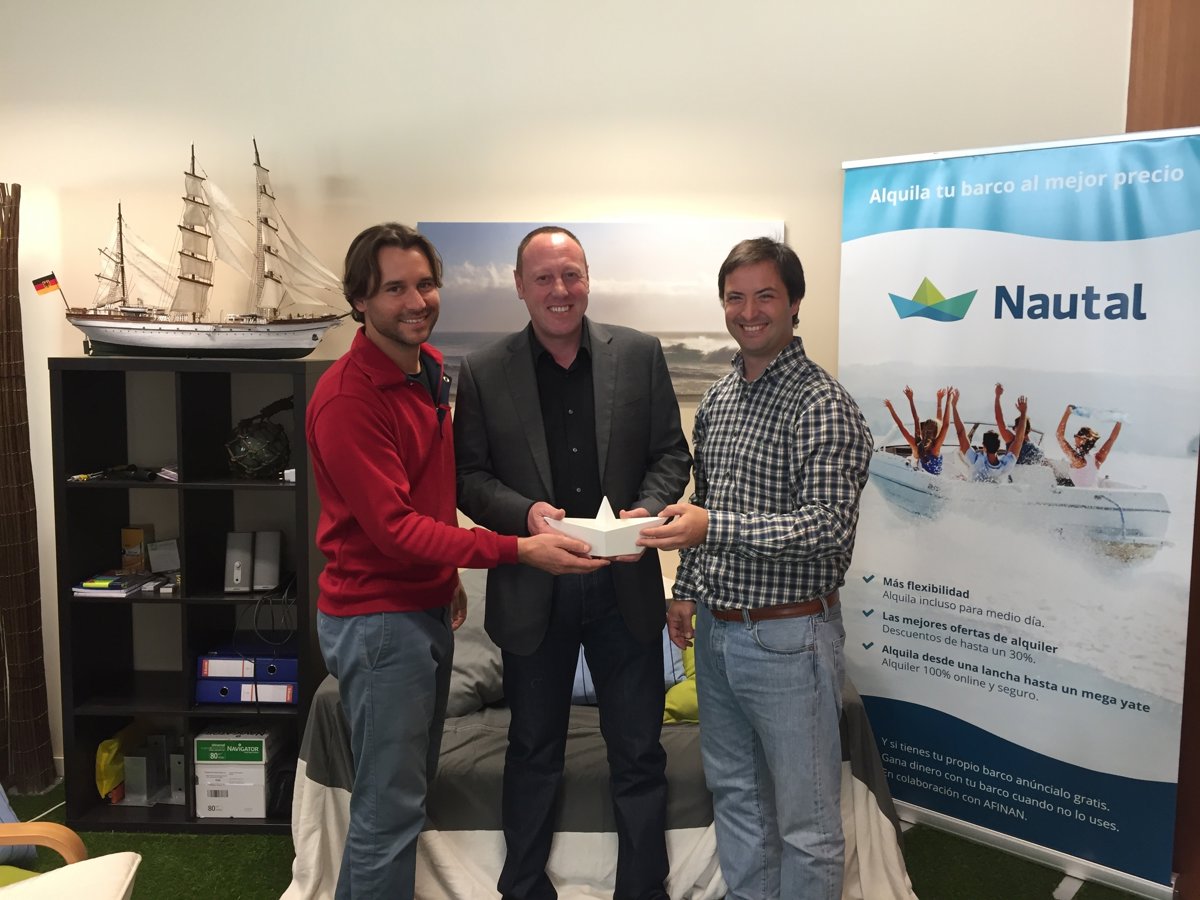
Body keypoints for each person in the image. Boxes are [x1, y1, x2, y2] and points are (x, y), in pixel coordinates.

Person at [306, 223, 607, 900]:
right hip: (379, 622)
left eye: (425, 284)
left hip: (421, 607)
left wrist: (446, 579)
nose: (416, 301)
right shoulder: (348, 397)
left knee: (400, 800)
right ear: (359, 300)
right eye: (394, 289)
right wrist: (516, 549)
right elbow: (394, 529)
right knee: (389, 811)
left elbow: (432, 492)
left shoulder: (429, 371)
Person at [453, 226, 691, 900]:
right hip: (535, 590)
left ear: (588, 279)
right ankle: (524, 888)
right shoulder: (484, 370)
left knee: (639, 754)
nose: (560, 290)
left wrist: (646, 510)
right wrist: (526, 513)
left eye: (572, 275)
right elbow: (468, 477)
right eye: (545, 278)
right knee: (532, 751)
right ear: (519, 286)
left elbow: (671, 455)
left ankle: (642, 891)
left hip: (625, 590)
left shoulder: (639, 354)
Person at [637, 237, 873, 900]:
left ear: (794, 303)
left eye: (765, 295)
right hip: (716, 632)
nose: (748, 311)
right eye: (735, 297)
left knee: (807, 823)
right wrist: (685, 589)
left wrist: (711, 526)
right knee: (736, 796)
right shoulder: (718, 399)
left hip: (789, 639)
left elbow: (827, 529)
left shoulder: (822, 404)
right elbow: (707, 500)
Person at [952, 388, 1028, 482]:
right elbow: (1019, 440)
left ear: (984, 446)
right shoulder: (1006, 466)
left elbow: (960, 433)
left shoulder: (975, 461)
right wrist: (1023, 413)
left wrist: (954, 406)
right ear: (998, 446)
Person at [883, 384, 951, 474]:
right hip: (933, 478)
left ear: (922, 432)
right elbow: (944, 425)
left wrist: (892, 408)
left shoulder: (916, 444)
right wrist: (946, 400)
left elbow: (903, 425)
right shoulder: (935, 447)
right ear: (936, 433)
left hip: (918, 471)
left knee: (913, 459)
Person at [1056, 403, 1122, 487]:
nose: (1075, 437)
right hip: (1094, 492)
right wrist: (1119, 421)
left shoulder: (1078, 460)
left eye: (1077, 436)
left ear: (1083, 440)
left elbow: (1059, 436)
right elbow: (1111, 439)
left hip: (1080, 494)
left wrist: (1067, 413)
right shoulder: (1097, 459)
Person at [994, 383, 1045, 465]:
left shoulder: (1012, 440)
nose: (1013, 428)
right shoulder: (1035, 449)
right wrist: (1023, 413)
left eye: (1015, 426)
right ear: (1029, 430)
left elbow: (999, 420)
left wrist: (997, 396)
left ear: (1018, 428)